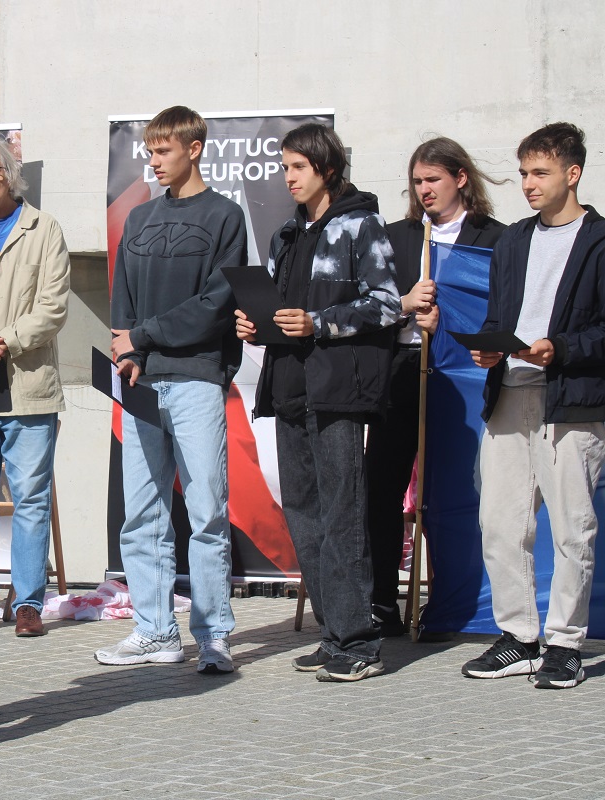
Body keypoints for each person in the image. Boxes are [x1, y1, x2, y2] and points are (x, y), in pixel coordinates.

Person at [236, 123, 400, 682]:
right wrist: (255, 324)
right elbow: (279, 313)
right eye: (284, 168)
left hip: (337, 392)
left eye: (297, 167)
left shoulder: (361, 225)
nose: (288, 178)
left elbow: (387, 304)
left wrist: (319, 322)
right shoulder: (286, 234)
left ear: (326, 168)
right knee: (304, 517)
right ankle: (334, 635)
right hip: (287, 389)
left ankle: (359, 642)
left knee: (342, 515)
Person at [97, 106, 246, 674]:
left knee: (206, 512)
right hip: (141, 383)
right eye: (149, 152)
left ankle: (213, 636)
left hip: (197, 379)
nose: (154, 162)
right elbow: (123, 298)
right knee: (141, 515)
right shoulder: (138, 219)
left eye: (163, 151)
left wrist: (143, 335)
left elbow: (217, 305)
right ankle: (155, 633)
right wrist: (129, 351)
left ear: (194, 148)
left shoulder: (225, 216)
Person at [462, 122, 605, 689]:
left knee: (572, 528)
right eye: (523, 172)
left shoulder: (599, 241)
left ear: (573, 173)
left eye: (540, 172)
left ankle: (565, 644)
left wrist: (560, 349)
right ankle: (518, 638)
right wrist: (488, 347)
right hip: (509, 393)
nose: (528, 183)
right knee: (499, 523)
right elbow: (501, 317)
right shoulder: (513, 240)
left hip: (570, 400)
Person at [369, 138, 506, 636]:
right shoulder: (397, 237)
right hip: (403, 371)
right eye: (417, 181)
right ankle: (382, 601)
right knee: (381, 486)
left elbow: (500, 313)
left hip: (463, 379)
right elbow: (369, 306)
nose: (424, 190)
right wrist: (405, 309)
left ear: (460, 178)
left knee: (460, 488)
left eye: (433, 179)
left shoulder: (495, 238)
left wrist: (448, 323)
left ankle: (462, 601)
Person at [0, 135, 71, 638]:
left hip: (26, 383)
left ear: (10, 174)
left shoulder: (43, 228)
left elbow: (53, 307)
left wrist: (0, 343)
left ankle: (27, 603)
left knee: (31, 500)